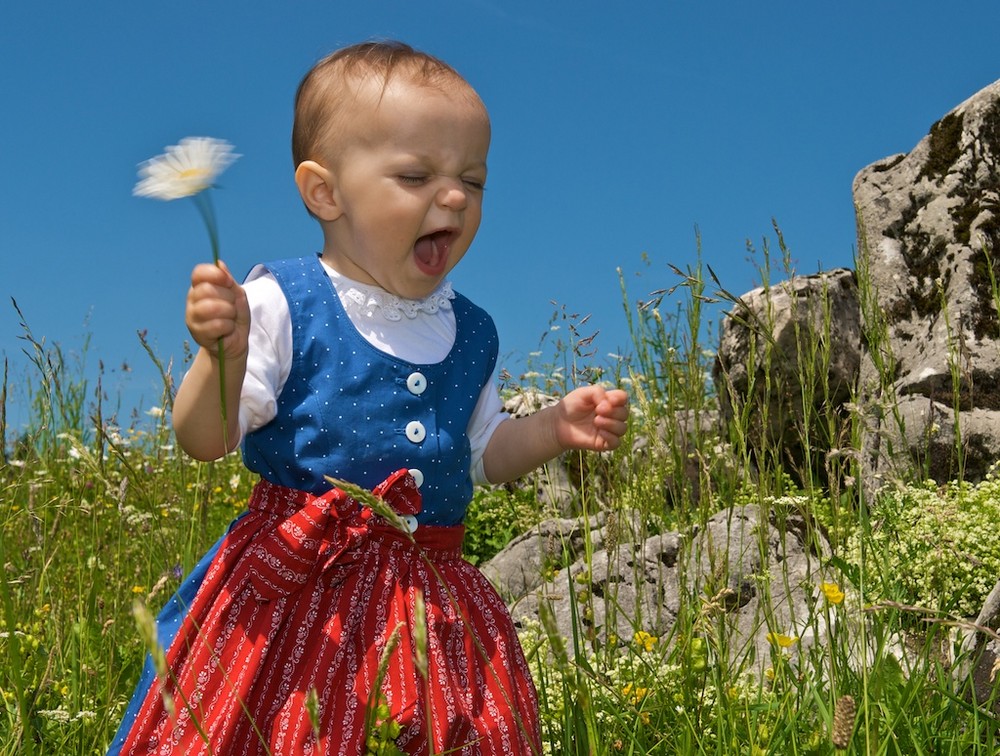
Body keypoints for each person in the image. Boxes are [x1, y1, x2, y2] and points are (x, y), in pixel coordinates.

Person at [109, 40, 628, 756]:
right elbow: (205, 439)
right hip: (297, 603)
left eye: (472, 181)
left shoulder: (472, 332)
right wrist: (220, 358)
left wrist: (552, 428)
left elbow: (484, 456)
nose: (452, 197)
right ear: (325, 192)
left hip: (434, 609)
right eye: (415, 175)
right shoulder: (283, 301)